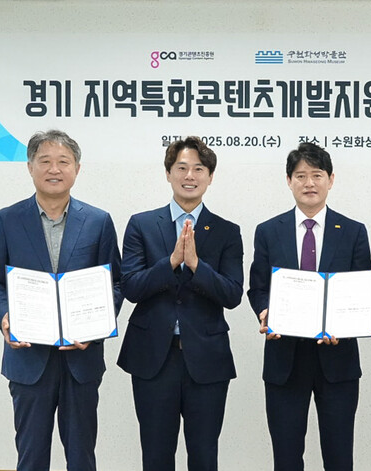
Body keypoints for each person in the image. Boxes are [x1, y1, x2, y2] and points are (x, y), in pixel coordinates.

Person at [0, 129, 122, 471]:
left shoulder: (98, 221)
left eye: (63, 162)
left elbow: (115, 283)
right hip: (28, 359)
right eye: (45, 161)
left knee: (82, 457)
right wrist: (5, 317)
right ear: (30, 167)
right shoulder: (7, 220)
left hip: (81, 360)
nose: (54, 169)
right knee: (31, 457)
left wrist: (96, 327)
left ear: (77, 169)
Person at [117, 137, 243, 471]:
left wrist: (197, 266)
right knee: (156, 455)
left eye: (198, 169)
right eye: (182, 168)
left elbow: (232, 294)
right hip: (153, 358)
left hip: (207, 359)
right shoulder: (142, 224)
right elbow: (131, 287)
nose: (190, 176)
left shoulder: (227, 231)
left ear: (210, 177)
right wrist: (171, 262)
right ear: (168, 173)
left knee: (204, 455)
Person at [248, 142, 371, 471]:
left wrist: (345, 326)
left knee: (339, 457)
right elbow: (258, 287)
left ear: (331, 179)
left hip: (338, 359)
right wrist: (265, 312)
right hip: (284, 359)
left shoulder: (354, 232)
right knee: (286, 458)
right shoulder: (268, 231)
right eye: (300, 175)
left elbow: (363, 292)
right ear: (289, 181)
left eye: (317, 175)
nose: (309, 183)